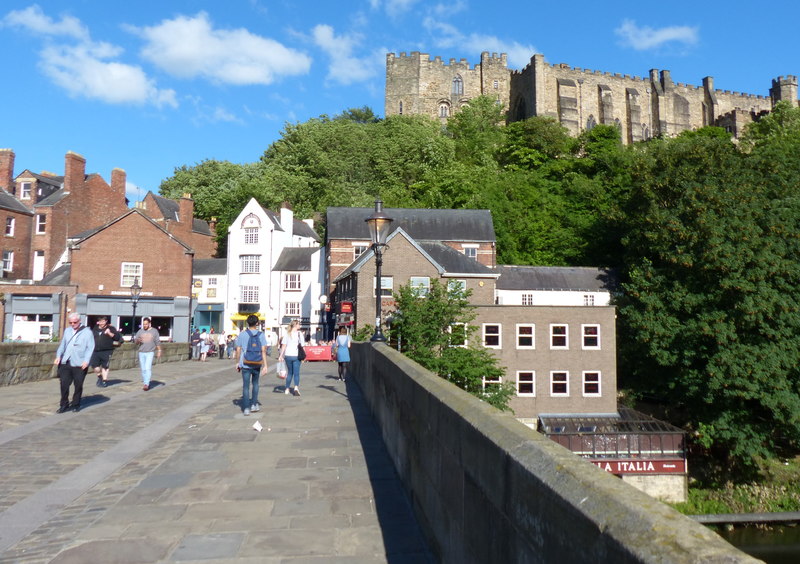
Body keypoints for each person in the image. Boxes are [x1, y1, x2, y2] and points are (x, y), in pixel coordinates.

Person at [53, 313, 95, 413]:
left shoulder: (87, 332)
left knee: (78, 384)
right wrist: (58, 356)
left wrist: (86, 361)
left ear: (79, 321)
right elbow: (62, 345)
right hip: (66, 362)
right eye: (70, 322)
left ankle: (76, 403)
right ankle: (64, 404)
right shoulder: (67, 331)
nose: (72, 324)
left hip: (79, 363)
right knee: (64, 384)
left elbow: (90, 348)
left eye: (75, 322)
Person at [235, 314, 267, 415]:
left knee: (245, 386)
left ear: (247, 323)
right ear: (257, 323)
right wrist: (265, 365)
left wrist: (237, 362)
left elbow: (238, 349)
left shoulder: (242, 334)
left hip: (245, 363)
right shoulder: (261, 335)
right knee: (256, 384)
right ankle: (254, 404)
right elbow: (263, 350)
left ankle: (246, 408)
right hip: (257, 363)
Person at [90, 316, 123, 387]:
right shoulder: (95, 328)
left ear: (106, 321)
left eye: (103, 321)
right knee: (94, 366)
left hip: (107, 350)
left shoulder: (111, 328)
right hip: (95, 350)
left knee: (105, 366)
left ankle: (104, 381)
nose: (101, 323)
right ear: (98, 322)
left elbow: (117, 337)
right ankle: (100, 376)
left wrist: (109, 333)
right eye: (100, 321)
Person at [134, 317, 162, 391]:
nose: (145, 325)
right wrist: (138, 340)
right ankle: (145, 381)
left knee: (147, 368)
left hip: (150, 352)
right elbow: (135, 341)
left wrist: (159, 350)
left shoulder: (154, 331)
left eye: (146, 324)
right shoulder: (140, 331)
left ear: (149, 324)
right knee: (143, 369)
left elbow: (157, 341)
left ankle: (146, 383)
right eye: (144, 324)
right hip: (141, 352)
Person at [278, 320, 305, 396]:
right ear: (295, 325)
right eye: (299, 324)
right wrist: (304, 356)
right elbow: (302, 346)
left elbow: (283, 346)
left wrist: (281, 356)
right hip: (296, 355)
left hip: (288, 355)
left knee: (290, 372)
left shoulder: (287, 334)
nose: (300, 325)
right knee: (296, 373)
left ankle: (287, 389)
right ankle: (296, 387)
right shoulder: (300, 334)